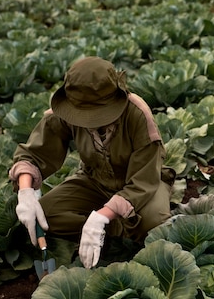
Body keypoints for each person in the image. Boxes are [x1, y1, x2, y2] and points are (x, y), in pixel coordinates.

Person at [9, 56, 174, 269]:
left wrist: (101, 217)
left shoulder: (137, 114)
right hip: (94, 181)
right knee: (45, 214)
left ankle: (111, 223)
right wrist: (25, 192)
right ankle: (115, 228)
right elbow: (33, 153)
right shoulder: (67, 109)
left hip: (139, 187)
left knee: (155, 223)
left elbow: (144, 180)